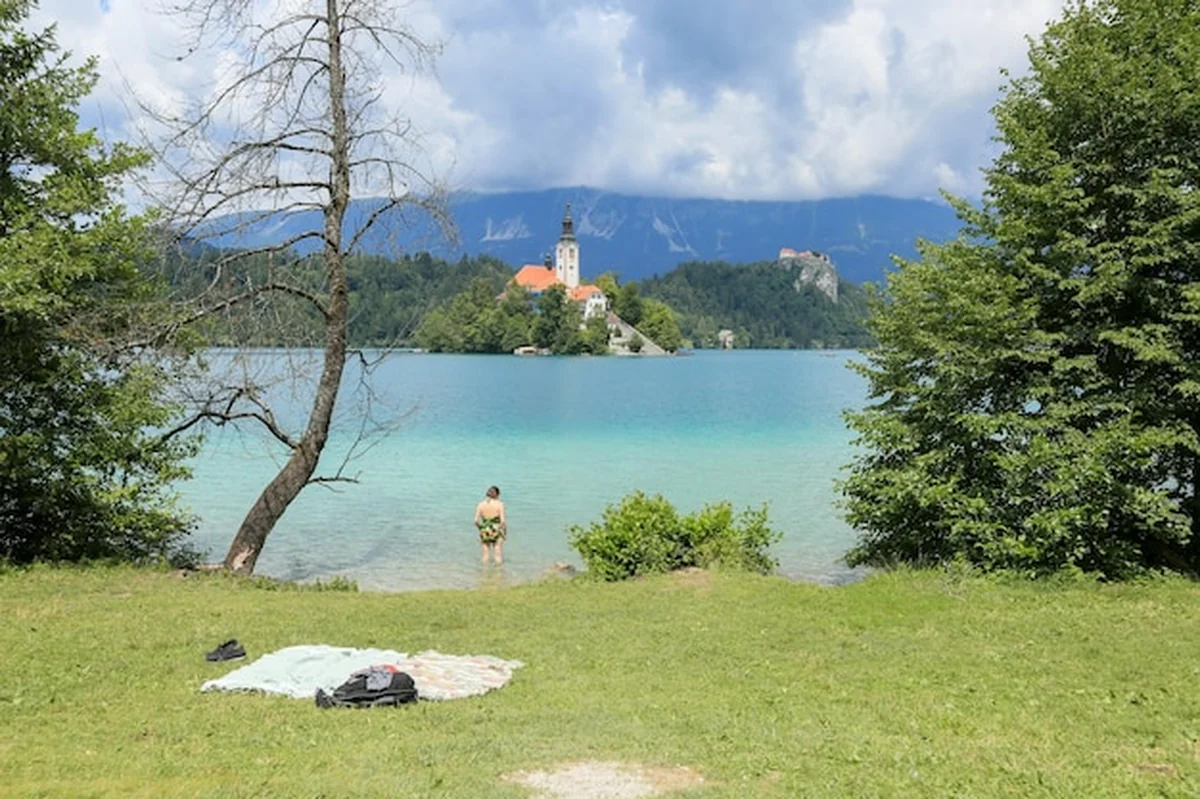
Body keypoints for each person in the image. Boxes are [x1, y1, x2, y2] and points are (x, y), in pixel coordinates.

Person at [474, 486, 507, 565]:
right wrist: (505, 532)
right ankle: (498, 573)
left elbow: (475, 521)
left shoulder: (480, 504)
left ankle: (484, 572)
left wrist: (481, 529)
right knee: (497, 552)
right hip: (496, 528)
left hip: (485, 529)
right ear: (497, 495)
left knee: (485, 554)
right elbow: (502, 521)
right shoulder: (500, 504)